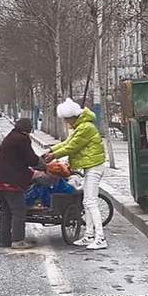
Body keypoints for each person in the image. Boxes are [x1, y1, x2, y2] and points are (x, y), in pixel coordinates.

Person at [44, 98, 107, 250]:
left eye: (67, 120)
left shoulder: (86, 128)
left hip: (94, 166)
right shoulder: (81, 126)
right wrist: (52, 150)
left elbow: (72, 146)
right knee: (87, 202)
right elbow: (67, 142)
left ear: (73, 117)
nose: (66, 123)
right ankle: (89, 235)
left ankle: (100, 237)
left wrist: (54, 156)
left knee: (91, 202)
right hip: (89, 166)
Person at [0, 118, 46, 249]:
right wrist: (44, 166)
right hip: (11, 181)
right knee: (18, 211)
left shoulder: (10, 136)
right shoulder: (22, 139)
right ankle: (18, 241)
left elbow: (20, 159)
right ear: (28, 129)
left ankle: (4, 240)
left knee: (5, 211)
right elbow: (31, 159)